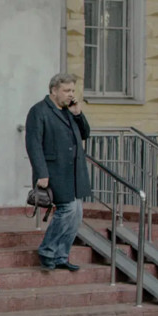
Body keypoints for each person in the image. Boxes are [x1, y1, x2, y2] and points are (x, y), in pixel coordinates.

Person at [24, 72, 92, 271]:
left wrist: (78, 114)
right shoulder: (39, 111)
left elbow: (85, 134)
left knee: (77, 213)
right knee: (67, 209)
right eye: (66, 90)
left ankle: (61, 255)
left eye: (72, 90)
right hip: (54, 171)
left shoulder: (69, 110)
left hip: (75, 172)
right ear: (54, 90)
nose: (71, 94)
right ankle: (47, 250)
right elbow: (33, 144)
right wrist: (41, 173)